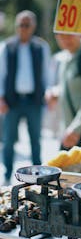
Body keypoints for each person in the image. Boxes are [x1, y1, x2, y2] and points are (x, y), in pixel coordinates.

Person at [0, 10, 50, 185]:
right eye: (21, 24)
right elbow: (1, 73)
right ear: (16, 26)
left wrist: (48, 94)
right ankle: (7, 174)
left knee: (35, 139)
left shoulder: (41, 47)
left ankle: (38, 174)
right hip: (12, 100)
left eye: (27, 25)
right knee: (8, 140)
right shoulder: (7, 46)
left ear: (33, 27)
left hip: (34, 100)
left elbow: (46, 74)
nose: (23, 28)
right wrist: (0, 98)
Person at [45, 33, 81, 150]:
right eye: (61, 35)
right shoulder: (65, 58)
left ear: (80, 33)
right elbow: (69, 87)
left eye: (70, 34)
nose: (66, 38)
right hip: (68, 132)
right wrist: (55, 93)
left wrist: (76, 129)